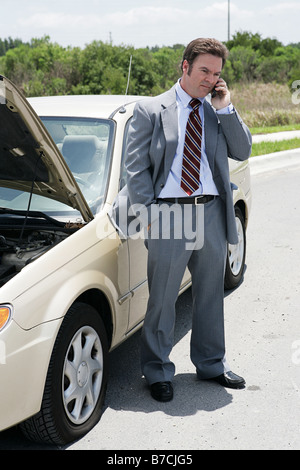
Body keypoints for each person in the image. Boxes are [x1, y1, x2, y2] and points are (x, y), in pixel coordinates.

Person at [117, 38, 252, 402]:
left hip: (209, 210)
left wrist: (226, 108)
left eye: (217, 74)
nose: (210, 79)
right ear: (185, 67)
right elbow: (135, 168)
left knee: (210, 294)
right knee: (162, 299)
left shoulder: (216, 110)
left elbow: (243, 150)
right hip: (168, 214)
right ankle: (157, 370)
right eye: (204, 71)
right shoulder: (150, 109)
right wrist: (147, 216)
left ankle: (211, 363)